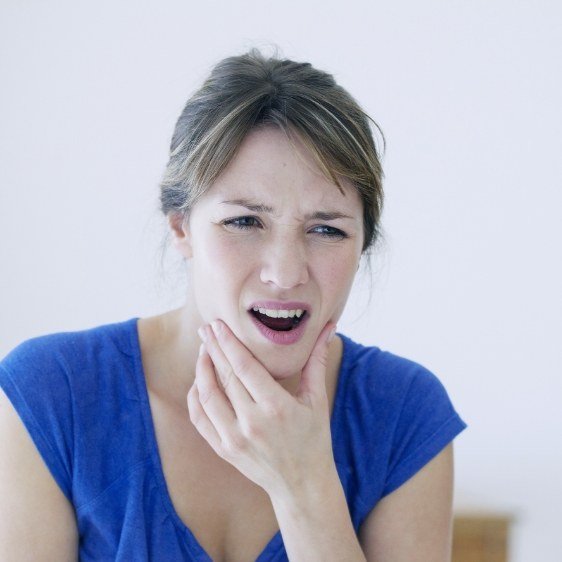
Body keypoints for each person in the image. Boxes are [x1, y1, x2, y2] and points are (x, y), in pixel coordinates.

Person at [0, 49, 466, 561]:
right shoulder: (50, 395)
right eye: (245, 222)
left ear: (363, 246)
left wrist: (305, 485)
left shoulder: (405, 415)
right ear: (181, 226)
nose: (285, 273)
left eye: (326, 229)